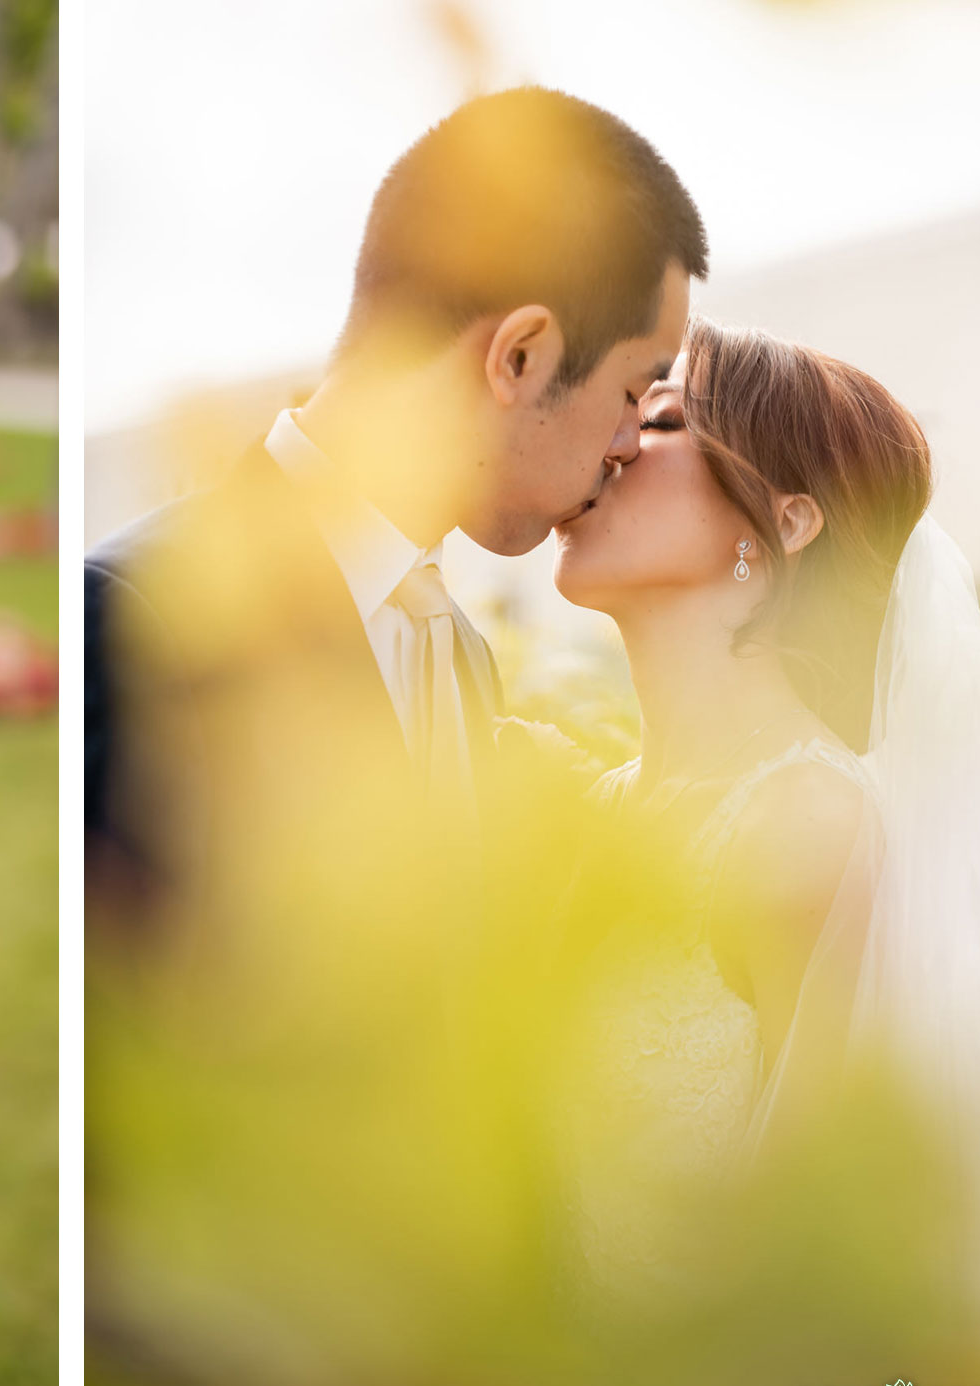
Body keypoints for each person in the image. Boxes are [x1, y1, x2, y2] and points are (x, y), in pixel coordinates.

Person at [553, 316, 980, 1386]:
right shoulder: (598, 802)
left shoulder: (802, 821)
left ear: (779, 521)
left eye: (659, 419)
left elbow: (786, 1236)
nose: (609, 445)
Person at [84, 86, 707, 922]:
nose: (633, 439)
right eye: (635, 389)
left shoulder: (464, 661)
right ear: (520, 357)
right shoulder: (143, 621)